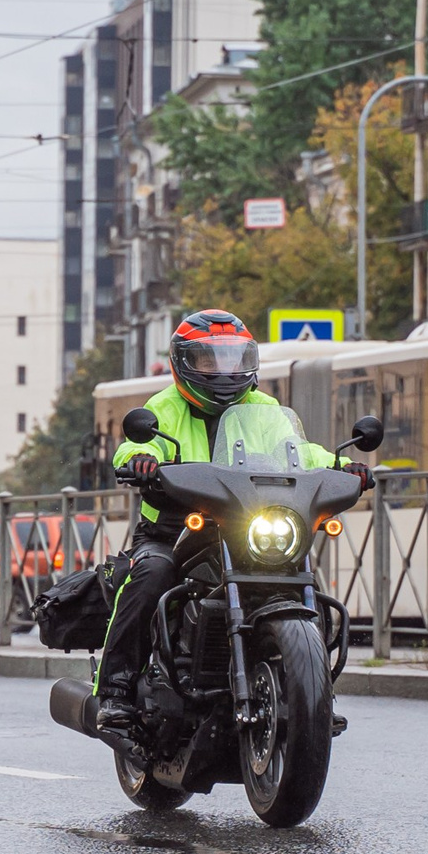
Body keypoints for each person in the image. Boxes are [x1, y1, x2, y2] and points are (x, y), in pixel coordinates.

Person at [93, 310, 357, 744]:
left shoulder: (264, 409)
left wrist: (345, 465)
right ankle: (116, 691)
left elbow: (301, 451)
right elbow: (135, 446)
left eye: (233, 360)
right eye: (208, 360)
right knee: (151, 575)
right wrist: (140, 462)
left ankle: (312, 697)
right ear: (183, 363)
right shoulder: (164, 408)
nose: (222, 371)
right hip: (175, 530)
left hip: (240, 525)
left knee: (301, 574)